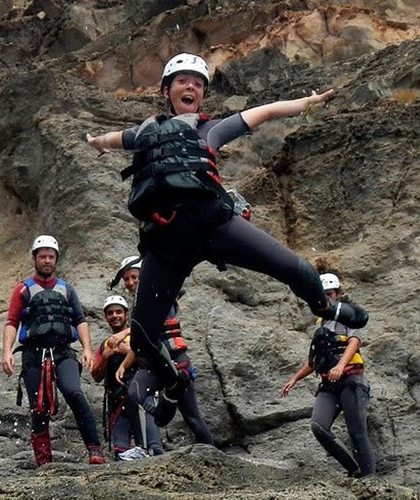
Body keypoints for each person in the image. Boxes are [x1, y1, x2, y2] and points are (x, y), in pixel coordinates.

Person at [86, 53, 369, 426]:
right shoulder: (143, 134)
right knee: (141, 340)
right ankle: (172, 383)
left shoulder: (211, 130)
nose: (192, 87)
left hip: (214, 226)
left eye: (199, 84)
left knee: (297, 269)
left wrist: (307, 103)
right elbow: (115, 138)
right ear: (166, 90)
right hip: (166, 242)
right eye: (183, 81)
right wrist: (98, 142)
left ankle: (327, 310)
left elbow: (264, 112)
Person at [1, 235, 106, 466]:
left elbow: (80, 319)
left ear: (56, 259)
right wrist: (7, 351)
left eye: (51, 256)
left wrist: (87, 348)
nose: (47, 260)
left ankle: (95, 450)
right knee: (38, 408)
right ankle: (44, 462)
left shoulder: (67, 289)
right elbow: (12, 321)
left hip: (62, 352)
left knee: (74, 392)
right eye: (42, 256)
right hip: (33, 354)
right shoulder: (23, 290)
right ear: (35, 258)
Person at [281, 273, 375, 477]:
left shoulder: (349, 315)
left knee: (357, 433)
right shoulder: (321, 322)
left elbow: (354, 342)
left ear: (338, 294)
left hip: (351, 380)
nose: (328, 298)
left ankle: (370, 481)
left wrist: (341, 365)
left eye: (330, 293)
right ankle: (354, 470)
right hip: (328, 384)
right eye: (323, 295)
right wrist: (295, 378)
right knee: (318, 425)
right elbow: (316, 360)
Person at [112, 256, 214, 445]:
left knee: (192, 418)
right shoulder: (137, 303)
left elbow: (150, 324)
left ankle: (217, 461)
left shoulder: (159, 291)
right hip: (154, 366)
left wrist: (126, 331)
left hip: (176, 363)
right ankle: (161, 413)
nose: (130, 282)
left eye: (134, 277)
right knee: (135, 394)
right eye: (126, 279)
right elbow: (142, 341)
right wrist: (124, 366)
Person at [91, 294, 164, 459]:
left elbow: (152, 361)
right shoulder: (105, 344)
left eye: (118, 312)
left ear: (126, 315)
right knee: (120, 453)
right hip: (117, 402)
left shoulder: (139, 337)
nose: (115, 316)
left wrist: (128, 351)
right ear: (106, 317)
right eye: (110, 313)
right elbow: (96, 375)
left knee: (153, 449)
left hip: (142, 399)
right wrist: (105, 356)